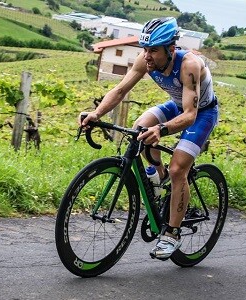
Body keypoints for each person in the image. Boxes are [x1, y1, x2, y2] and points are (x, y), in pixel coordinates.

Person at [79, 17, 219, 260]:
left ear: (171, 49)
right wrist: (96, 113)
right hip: (177, 105)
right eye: (145, 49)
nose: (147, 56)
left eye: (153, 50)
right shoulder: (146, 60)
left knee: (178, 169)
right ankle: (158, 176)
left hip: (200, 114)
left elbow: (190, 115)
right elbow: (121, 89)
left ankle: (172, 234)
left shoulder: (189, 65)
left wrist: (162, 130)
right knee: (139, 129)